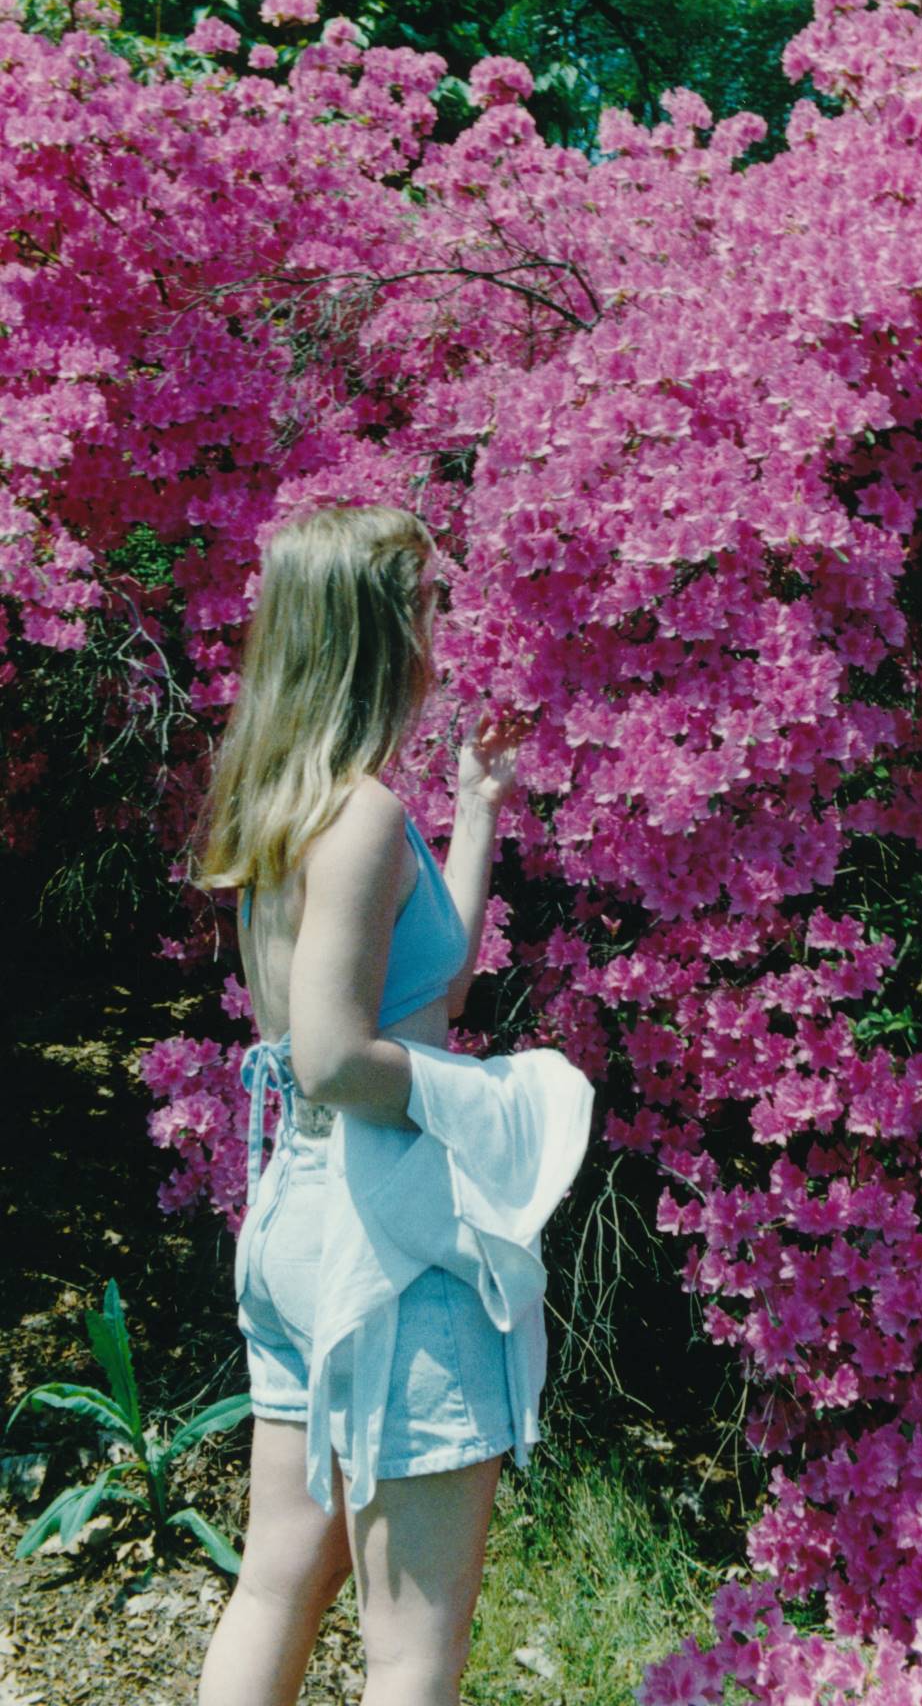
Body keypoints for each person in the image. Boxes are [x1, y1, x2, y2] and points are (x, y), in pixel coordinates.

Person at [190, 502, 553, 1706]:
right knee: (411, 1650)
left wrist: (481, 807)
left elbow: (421, 988)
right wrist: (496, 1104)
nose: (441, 638)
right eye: (428, 608)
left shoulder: (290, 811)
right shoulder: (363, 819)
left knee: (275, 1582)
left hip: (300, 1218)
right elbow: (341, 1057)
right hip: (386, 1233)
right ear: (377, 632)